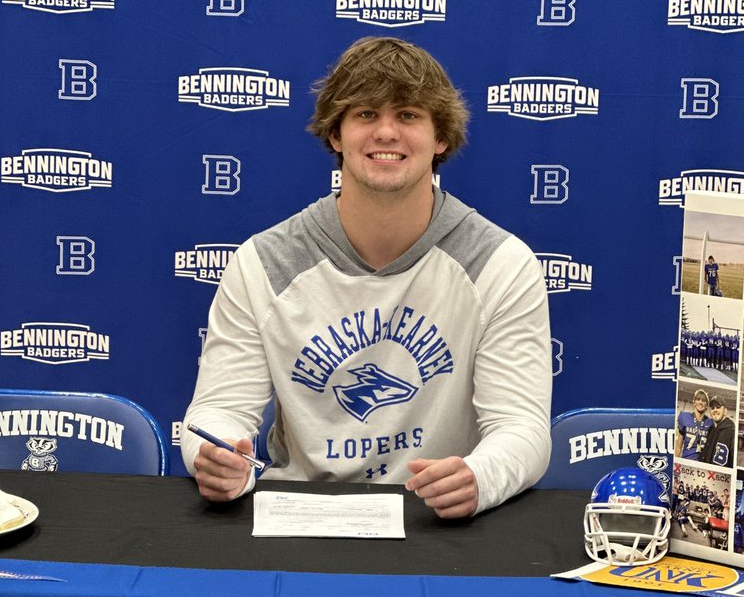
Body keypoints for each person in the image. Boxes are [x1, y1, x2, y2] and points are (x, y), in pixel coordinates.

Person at [182, 37, 552, 518]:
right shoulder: (264, 262)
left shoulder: (499, 262)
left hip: (434, 519)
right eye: (365, 115)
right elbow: (218, 410)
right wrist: (217, 457)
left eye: (409, 115)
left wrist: (480, 477)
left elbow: (521, 427)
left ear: (441, 138)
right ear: (335, 135)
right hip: (299, 513)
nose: (386, 132)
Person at [675, 389, 712, 459]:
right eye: (698, 399)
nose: (700, 402)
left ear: (707, 405)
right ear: (694, 402)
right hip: (686, 461)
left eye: (703, 400)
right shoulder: (684, 417)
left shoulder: (710, 423)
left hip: (702, 463)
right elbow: (678, 446)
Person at [700, 394, 734, 466]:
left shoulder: (731, 431)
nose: (715, 410)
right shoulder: (712, 431)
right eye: (712, 408)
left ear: (725, 411)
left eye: (718, 407)